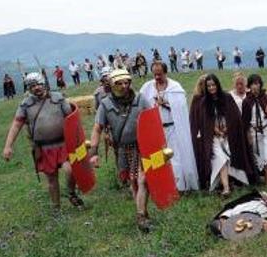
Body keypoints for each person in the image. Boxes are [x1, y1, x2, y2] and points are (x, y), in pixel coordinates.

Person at [2, 72, 83, 210]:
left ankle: (71, 193)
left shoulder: (58, 98)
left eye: (38, 84)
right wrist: (8, 146)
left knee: (70, 170)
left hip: (63, 143)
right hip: (44, 147)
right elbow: (16, 125)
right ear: (29, 88)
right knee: (51, 179)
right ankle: (56, 208)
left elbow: (72, 119)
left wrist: (79, 142)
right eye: (32, 86)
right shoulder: (26, 105)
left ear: (44, 83)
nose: (36, 88)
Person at [89, 69, 154, 231]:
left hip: (142, 145)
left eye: (127, 82)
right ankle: (143, 212)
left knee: (143, 179)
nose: (124, 86)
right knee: (133, 182)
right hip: (123, 148)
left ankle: (140, 216)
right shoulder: (105, 104)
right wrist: (94, 152)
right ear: (112, 85)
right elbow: (97, 128)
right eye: (119, 83)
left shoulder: (140, 99)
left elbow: (152, 120)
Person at [190, 74, 256, 195]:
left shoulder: (226, 97)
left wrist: (227, 128)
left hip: (228, 136)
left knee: (230, 156)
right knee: (220, 158)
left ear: (217, 85)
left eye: (213, 85)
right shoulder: (205, 102)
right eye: (208, 86)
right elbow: (204, 122)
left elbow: (235, 116)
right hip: (214, 138)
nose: (211, 88)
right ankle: (226, 188)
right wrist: (214, 129)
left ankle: (230, 182)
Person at [139, 62, 199, 192]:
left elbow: (181, 107)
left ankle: (178, 187)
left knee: (174, 156)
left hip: (172, 127)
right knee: (158, 157)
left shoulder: (175, 87)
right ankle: (161, 185)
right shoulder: (147, 88)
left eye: (159, 74)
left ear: (165, 73)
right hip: (156, 129)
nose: (156, 77)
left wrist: (165, 103)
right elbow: (140, 107)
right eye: (154, 74)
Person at [243, 74, 267, 185]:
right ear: (249, 85)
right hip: (255, 132)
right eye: (252, 84)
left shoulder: (266, 98)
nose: (255, 86)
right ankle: (265, 177)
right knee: (260, 156)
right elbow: (245, 120)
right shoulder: (247, 101)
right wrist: (248, 133)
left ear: (260, 84)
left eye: (257, 83)